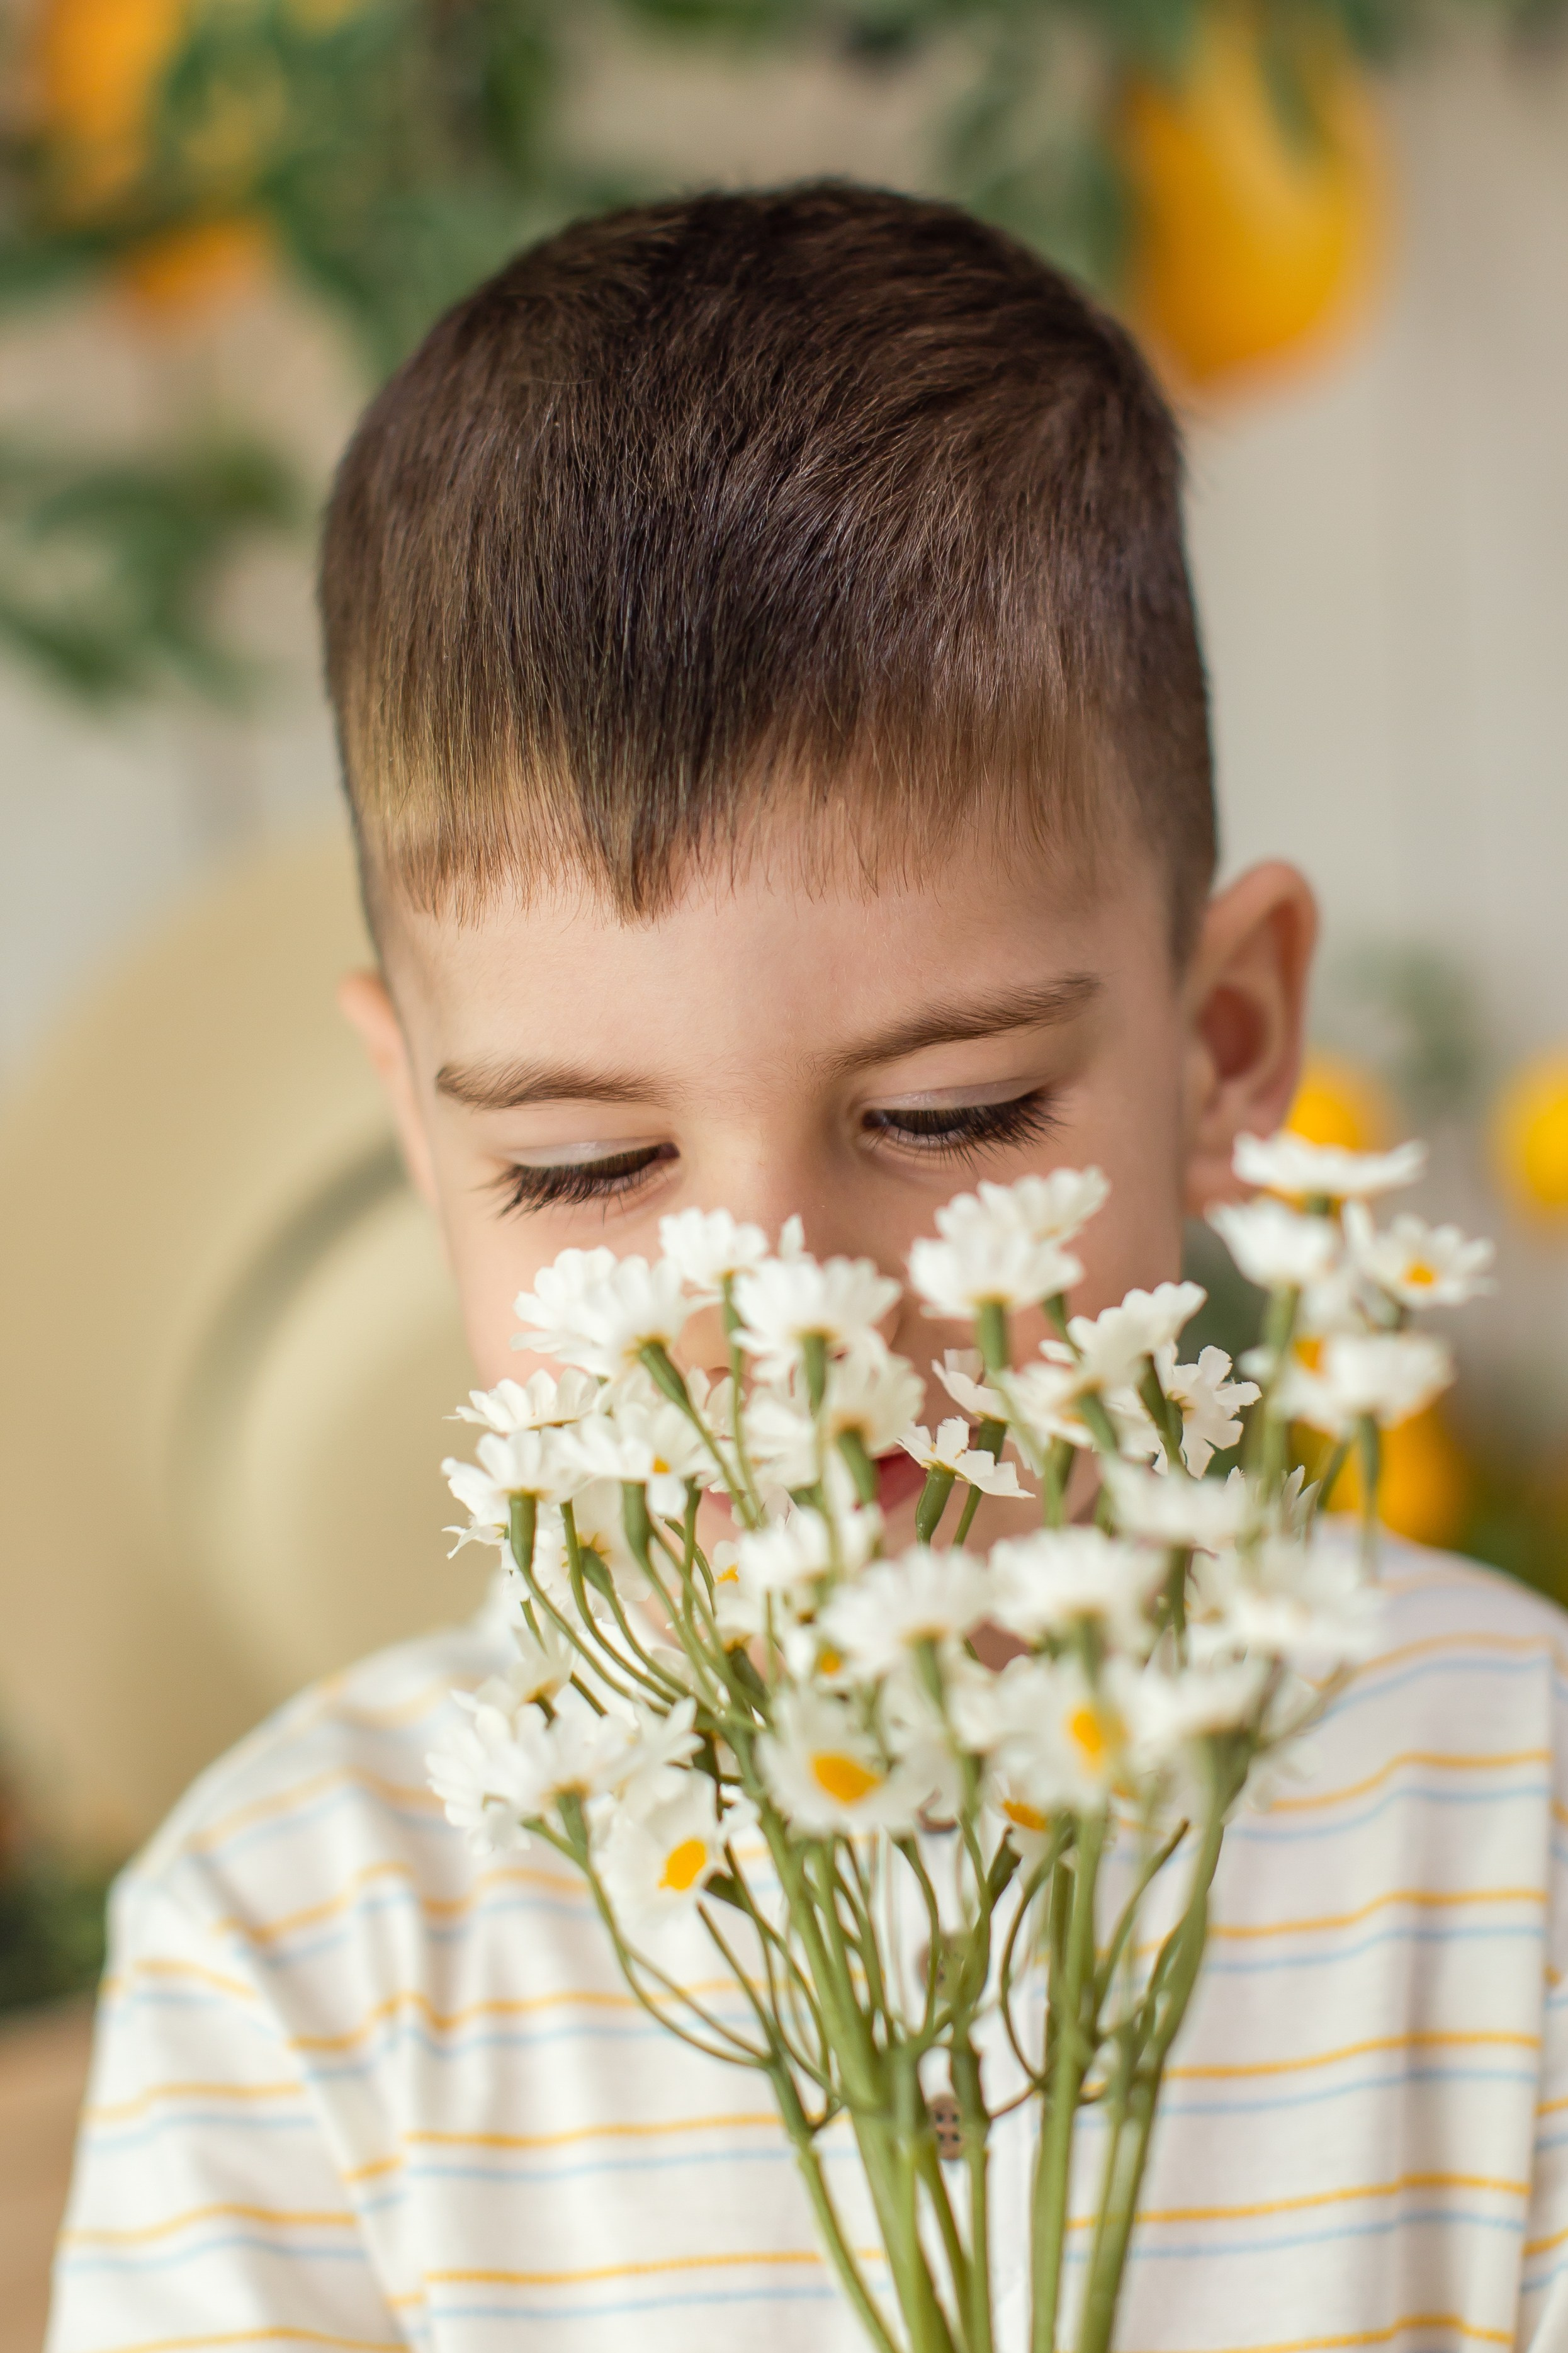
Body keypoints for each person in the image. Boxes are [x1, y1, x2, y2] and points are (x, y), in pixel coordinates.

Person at [47, 184, 1568, 2353]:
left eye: (947, 1122)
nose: (783, 1323)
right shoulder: (307, 1945)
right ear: (420, 1131)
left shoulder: (1514, 1837)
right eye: (585, 1165)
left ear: (1221, 1042)